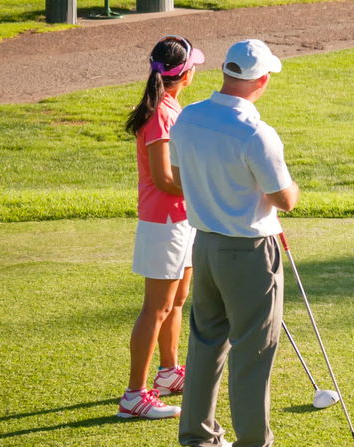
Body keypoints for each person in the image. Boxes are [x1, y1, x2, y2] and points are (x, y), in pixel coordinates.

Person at [171, 39, 299, 447]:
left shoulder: (188, 117)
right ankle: (252, 442)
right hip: (250, 252)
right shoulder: (256, 133)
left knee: (206, 341)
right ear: (261, 80)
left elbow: (178, 173)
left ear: (227, 72)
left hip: (204, 246)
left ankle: (197, 436)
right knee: (254, 351)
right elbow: (285, 199)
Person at [120, 36, 205, 420]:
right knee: (156, 307)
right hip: (164, 221)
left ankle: (169, 373)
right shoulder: (160, 116)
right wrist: (207, 188)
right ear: (184, 74)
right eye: (193, 66)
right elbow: (164, 178)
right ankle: (134, 396)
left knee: (177, 300)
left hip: (181, 219)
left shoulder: (170, 107)